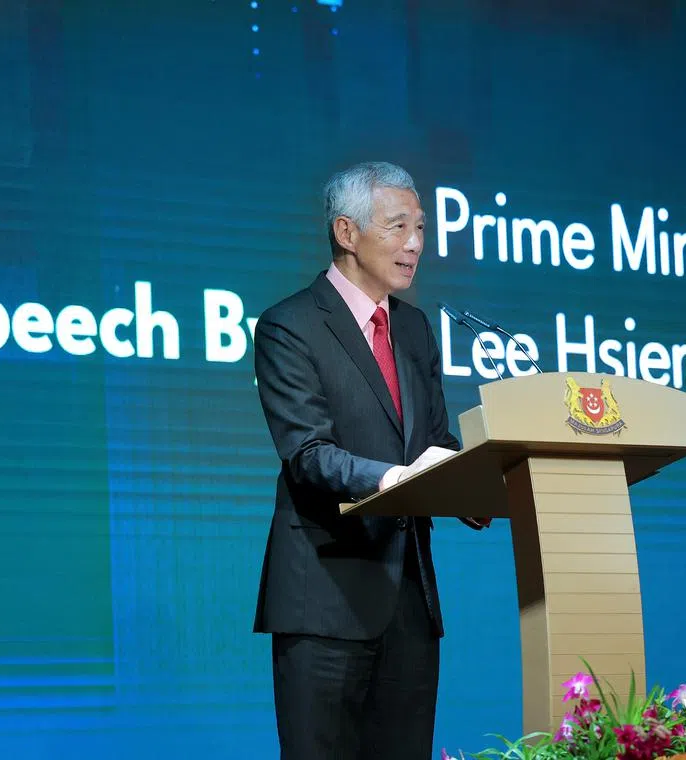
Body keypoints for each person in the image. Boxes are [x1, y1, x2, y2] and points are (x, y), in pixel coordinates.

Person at [252, 161, 489, 759]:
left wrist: (473, 487)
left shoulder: (415, 328)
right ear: (346, 232)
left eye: (421, 227)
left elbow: (434, 441)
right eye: (398, 226)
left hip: (409, 600)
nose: (415, 243)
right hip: (325, 600)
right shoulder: (289, 326)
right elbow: (307, 454)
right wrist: (398, 479)